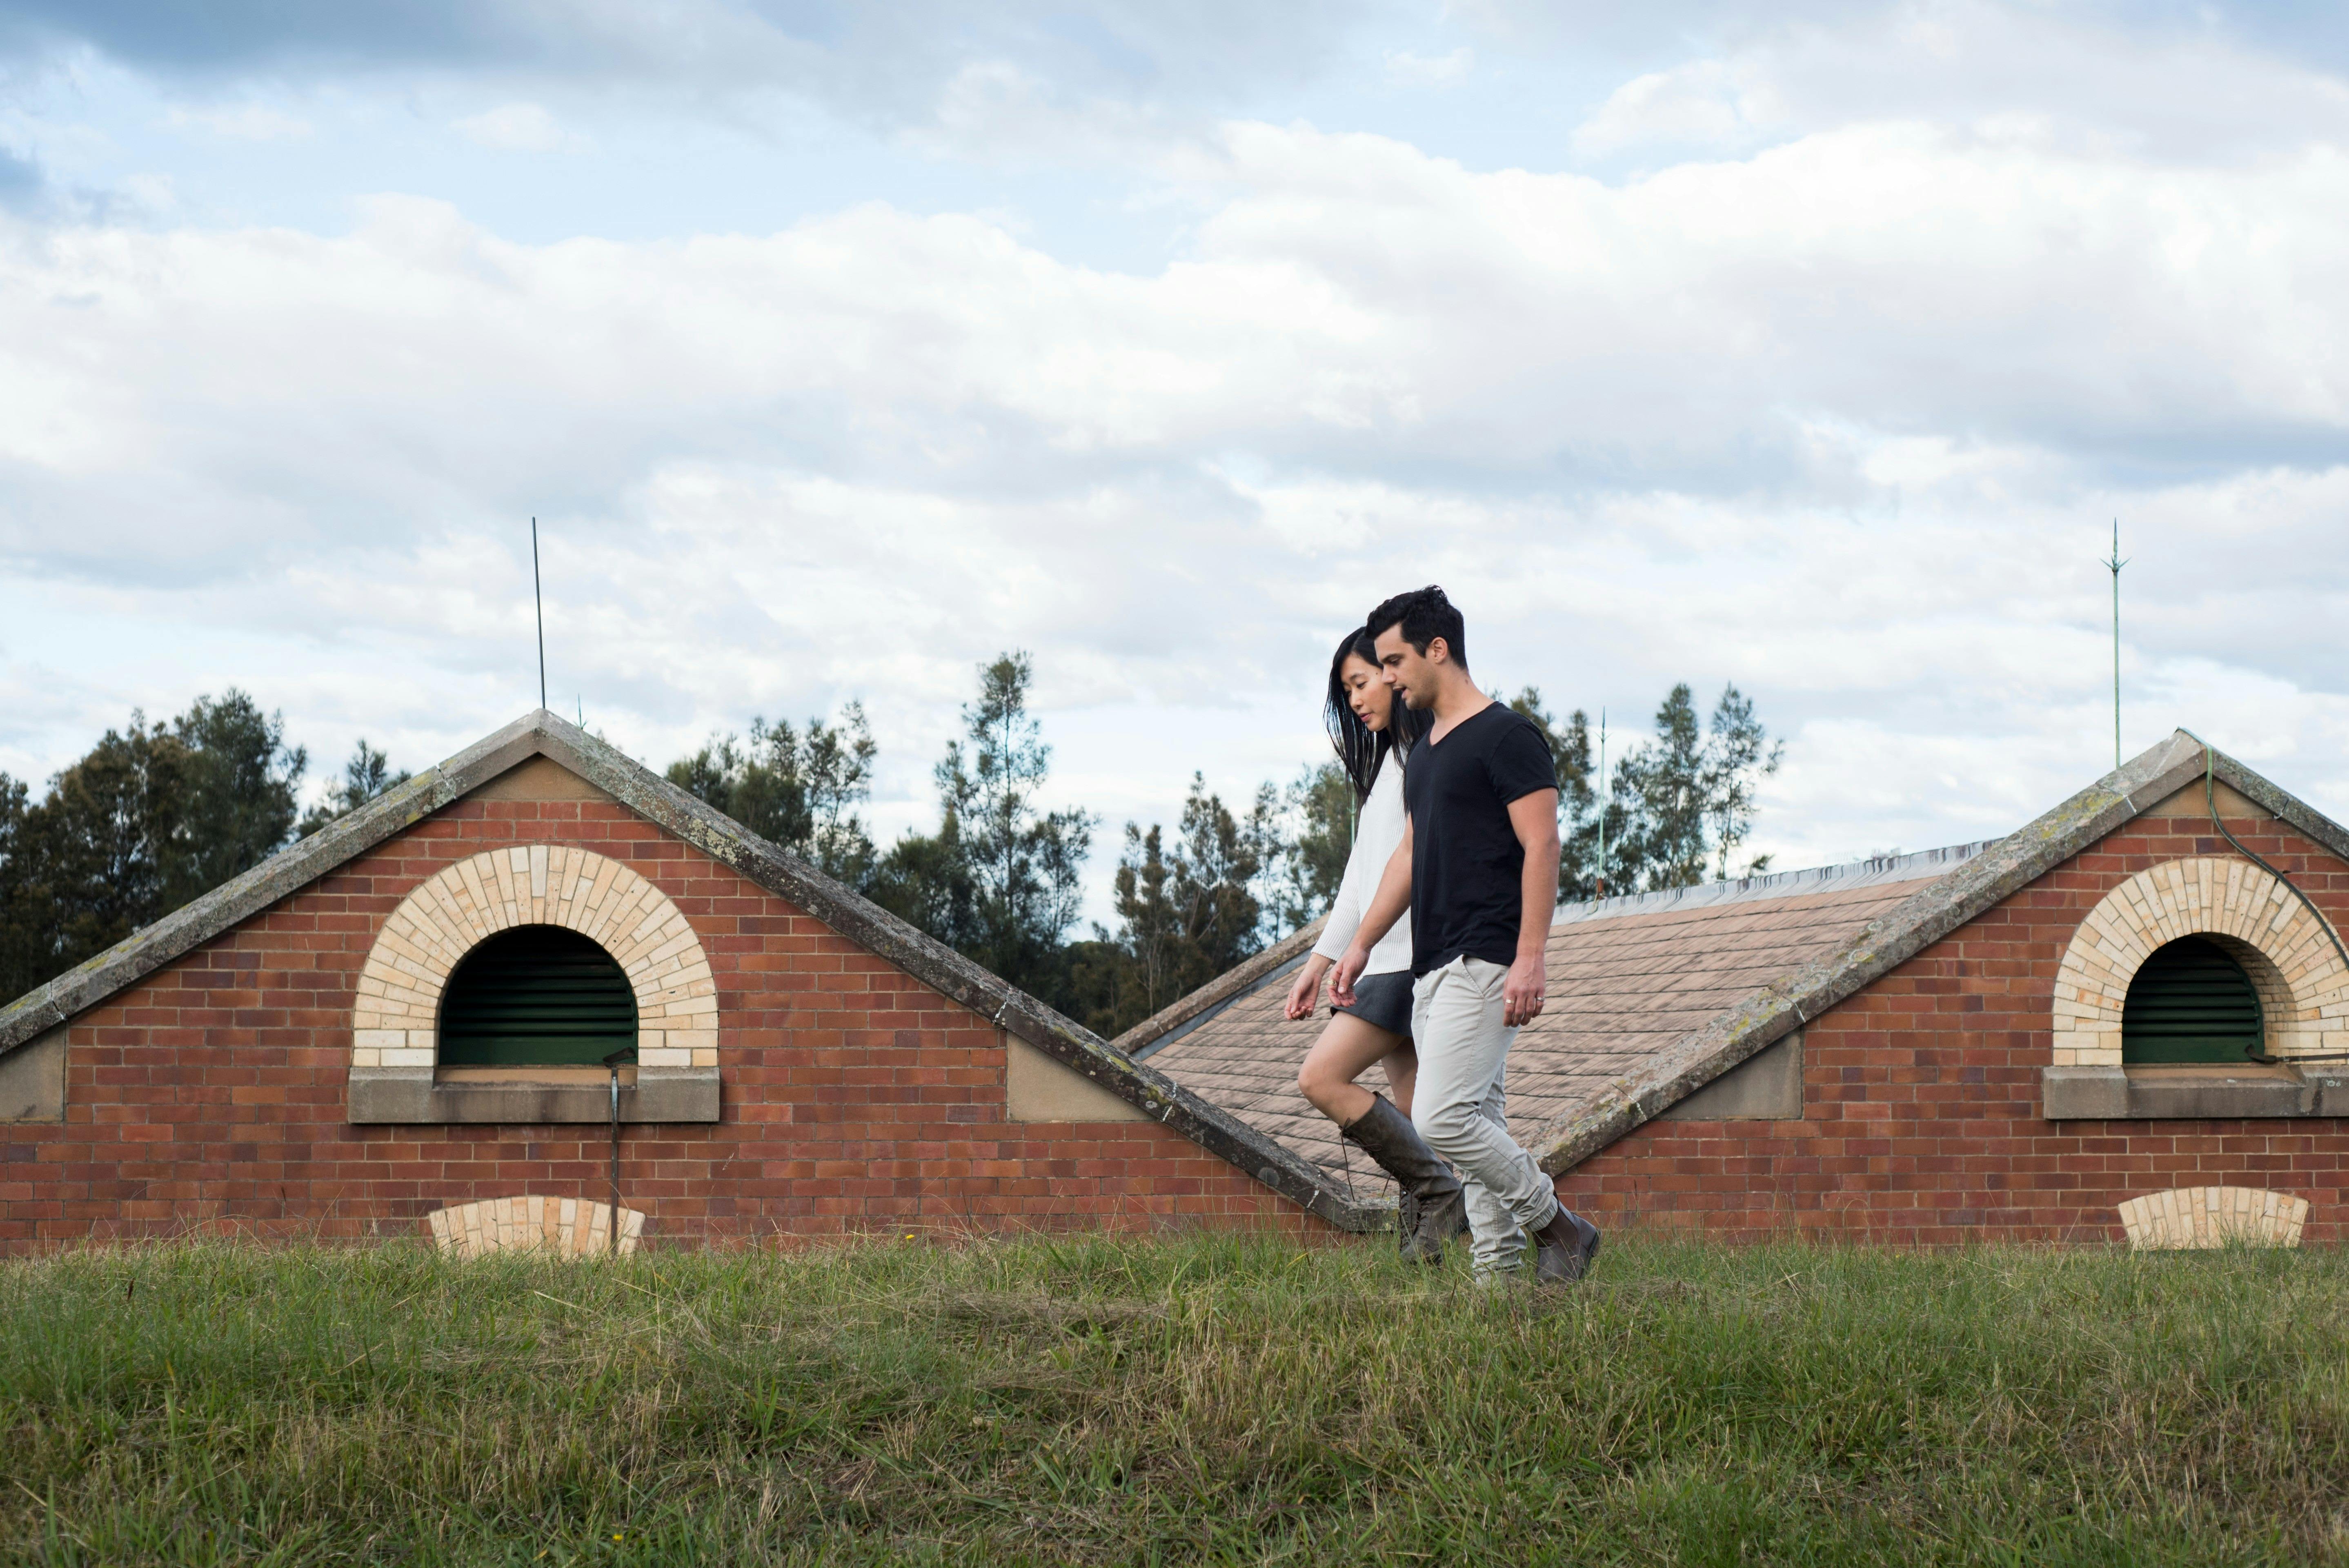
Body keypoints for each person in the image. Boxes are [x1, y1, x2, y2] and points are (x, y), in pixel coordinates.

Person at [1331, 586, 1602, 1284]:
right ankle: (1498, 1282)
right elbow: (1406, 857)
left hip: (1487, 955)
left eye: (1394, 661)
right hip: (1431, 963)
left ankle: (1561, 1227)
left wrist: (1530, 957)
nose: (1387, 677)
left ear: (1438, 649)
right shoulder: (1426, 753)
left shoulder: (1507, 736)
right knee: (1479, 1122)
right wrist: (1361, 943)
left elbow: (1541, 845)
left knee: (1442, 1117)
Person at [1283, 627, 1466, 1263]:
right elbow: (1360, 876)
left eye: (1364, 681)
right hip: (1381, 957)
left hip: (1400, 958)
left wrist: (1353, 953)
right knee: (1421, 1111)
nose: (1357, 699)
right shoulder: (1390, 765)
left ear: (1394, 674)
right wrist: (1318, 962)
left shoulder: (1422, 757)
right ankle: (1432, 1249)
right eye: (1348, 690)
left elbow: (1412, 865)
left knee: (1321, 1076)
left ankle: (1440, 1195)